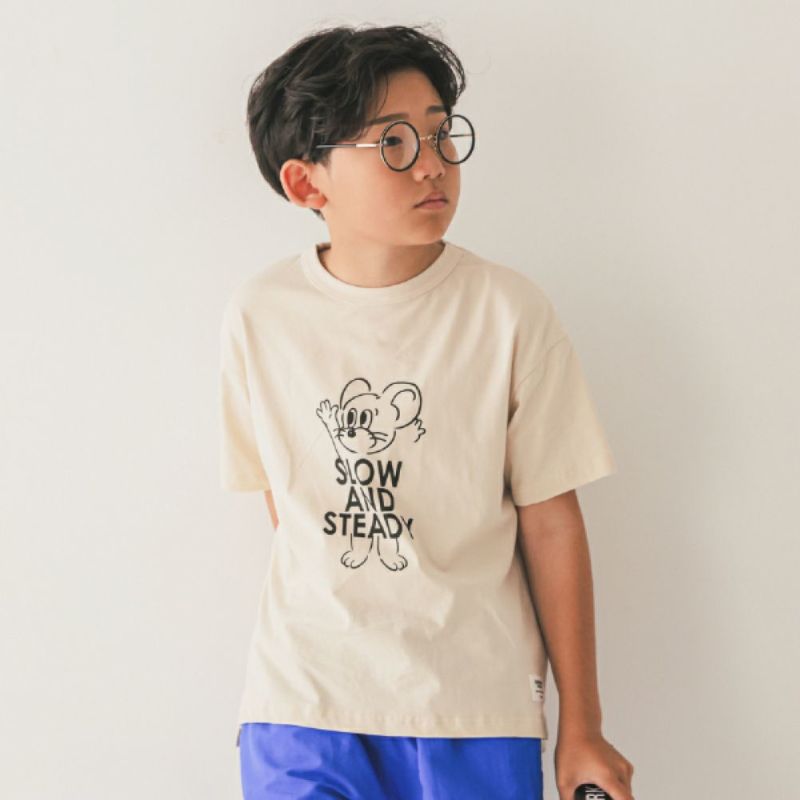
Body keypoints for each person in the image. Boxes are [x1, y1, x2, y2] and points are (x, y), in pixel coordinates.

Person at [219, 21, 636, 800]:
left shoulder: (507, 312)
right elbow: (288, 505)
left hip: (473, 709)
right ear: (308, 184)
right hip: (301, 704)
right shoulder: (260, 316)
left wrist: (581, 726)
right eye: (394, 143)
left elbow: (552, 523)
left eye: (442, 135)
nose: (433, 164)